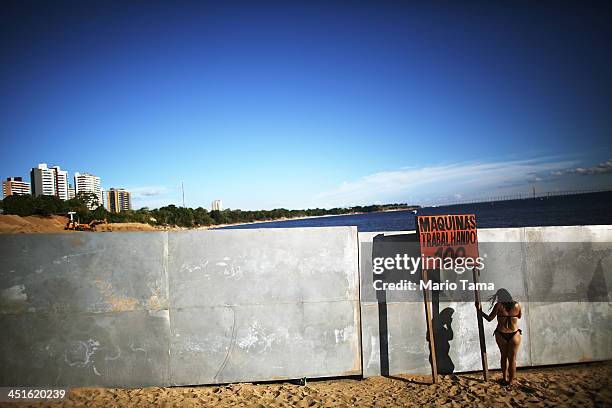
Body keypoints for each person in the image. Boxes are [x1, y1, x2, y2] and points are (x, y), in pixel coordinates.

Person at [476, 288, 522, 385]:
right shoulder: (517, 305)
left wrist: (479, 310)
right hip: (515, 334)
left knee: (504, 356)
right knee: (513, 359)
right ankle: (510, 381)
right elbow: (519, 316)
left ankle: (504, 378)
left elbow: (489, 318)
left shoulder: (499, 306)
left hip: (501, 334)